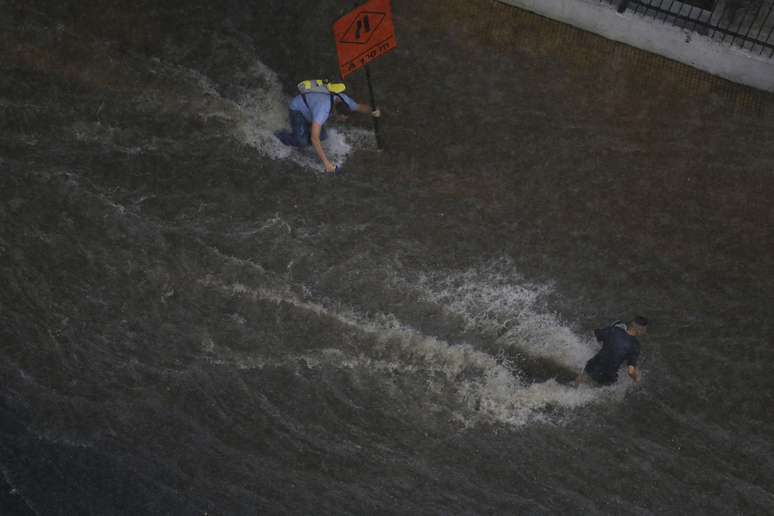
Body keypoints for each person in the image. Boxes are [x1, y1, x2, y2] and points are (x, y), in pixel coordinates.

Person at [275, 80, 381, 174]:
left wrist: (373, 110)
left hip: (311, 110)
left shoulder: (344, 100)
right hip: (298, 109)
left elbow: (359, 107)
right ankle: (279, 136)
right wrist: (327, 164)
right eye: (341, 119)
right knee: (302, 141)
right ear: (335, 112)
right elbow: (314, 138)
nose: (342, 121)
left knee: (323, 136)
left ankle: (304, 134)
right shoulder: (323, 110)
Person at [577, 316, 648, 386]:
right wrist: (636, 379)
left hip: (593, 367)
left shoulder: (614, 330)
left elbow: (596, 334)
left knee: (579, 383)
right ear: (640, 330)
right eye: (645, 329)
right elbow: (631, 372)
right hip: (607, 377)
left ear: (631, 324)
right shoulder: (635, 345)